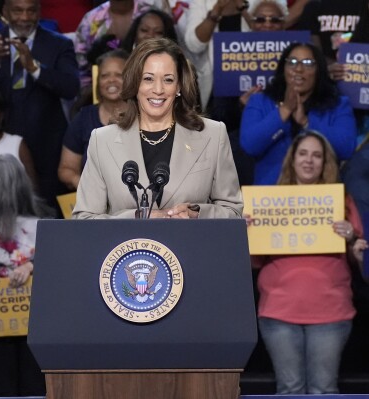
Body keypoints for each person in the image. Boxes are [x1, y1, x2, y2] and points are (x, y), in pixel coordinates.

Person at [72, 37, 242, 219]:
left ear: (178, 86)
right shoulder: (102, 140)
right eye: (148, 79)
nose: (158, 89)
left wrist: (197, 214)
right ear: (135, 83)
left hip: (191, 245)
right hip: (129, 247)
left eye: (168, 80)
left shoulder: (213, 134)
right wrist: (137, 217)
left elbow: (232, 211)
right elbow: (84, 218)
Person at [249, 130, 363, 394]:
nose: (309, 161)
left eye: (316, 155)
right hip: (279, 311)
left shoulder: (342, 203)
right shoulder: (269, 202)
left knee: (323, 390)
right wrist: (251, 233)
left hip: (331, 312)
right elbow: (255, 262)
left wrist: (351, 237)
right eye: (303, 154)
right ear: (292, 159)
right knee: (290, 389)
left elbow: (360, 262)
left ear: (325, 163)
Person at [0, 0, 79, 208]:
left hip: (47, 147)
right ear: (5, 11)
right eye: (17, 10)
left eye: (31, 11)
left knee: (44, 216)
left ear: (39, 12)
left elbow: (71, 88)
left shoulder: (60, 44)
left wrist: (35, 69)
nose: (24, 17)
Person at [240, 42, 357, 185]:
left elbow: (346, 149)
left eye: (308, 63)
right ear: (284, 68)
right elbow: (250, 145)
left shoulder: (338, 104)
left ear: (318, 70)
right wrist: (284, 111)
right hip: (270, 198)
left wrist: (306, 123)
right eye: (292, 62)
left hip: (322, 199)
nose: (298, 69)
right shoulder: (260, 101)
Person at [0, 154, 51, 396]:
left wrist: (32, 265)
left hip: (32, 318)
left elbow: (58, 265)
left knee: (33, 376)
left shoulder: (42, 222)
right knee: (2, 377)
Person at [58, 49, 129, 191]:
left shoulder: (147, 116)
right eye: (104, 76)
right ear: (98, 81)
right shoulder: (83, 119)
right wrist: (81, 183)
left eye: (119, 75)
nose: (111, 80)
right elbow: (66, 169)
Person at [184, 0, 252, 111]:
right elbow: (194, 46)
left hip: (251, 83)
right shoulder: (202, 3)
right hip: (215, 89)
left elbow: (266, 38)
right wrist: (214, 14)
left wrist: (243, 10)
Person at [73, 0, 153, 88]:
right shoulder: (91, 18)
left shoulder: (151, 13)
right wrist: (91, 90)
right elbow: (80, 61)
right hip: (100, 88)